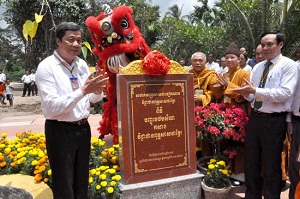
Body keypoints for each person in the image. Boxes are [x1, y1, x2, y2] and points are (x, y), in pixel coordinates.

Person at [36, 22, 108, 199]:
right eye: (70, 40)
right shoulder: (46, 68)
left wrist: (97, 90)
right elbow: (53, 107)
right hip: (60, 130)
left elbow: (91, 100)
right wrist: (83, 90)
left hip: (83, 129)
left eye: (79, 40)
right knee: (64, 183)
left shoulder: (82, 64)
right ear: (58, 41)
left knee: (81, 180)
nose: (76, 44)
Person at [232, 30, 298, 199]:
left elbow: (284, 93)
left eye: (270, 44)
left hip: (274, 120)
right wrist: (247, 93)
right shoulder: (258, 67)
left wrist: (255, 90)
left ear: (280, 44)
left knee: (271, 164)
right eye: (263, 44)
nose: (265, 48)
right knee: (251, 161)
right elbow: (253, 95)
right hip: (256, 118)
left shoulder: (288, 65)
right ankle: (252, 195)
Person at [217, 42, 250, 116]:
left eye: (232, 57)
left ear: (238, 60)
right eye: (227, 58)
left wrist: (228, 85)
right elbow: (219, 95)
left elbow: (245, 96)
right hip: (224, 110)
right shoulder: (225, 74)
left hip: (238, 110)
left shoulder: (244, 74)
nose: (229, 60)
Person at [288, 48, 300, 199]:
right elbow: (290, 95)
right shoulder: (295, 67)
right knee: (296, 164)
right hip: (297, 121)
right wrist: (289, 119)